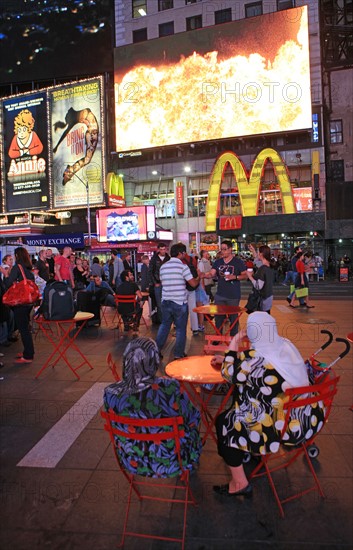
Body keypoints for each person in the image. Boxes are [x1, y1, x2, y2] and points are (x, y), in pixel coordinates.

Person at [211, 312, 325, 497]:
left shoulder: (254, 360)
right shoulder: (285, 345)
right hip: (307, 418)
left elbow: (228, 373)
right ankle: (254, 452)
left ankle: (239, 482)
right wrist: (232, 359)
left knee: (225, 422)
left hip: (281, 427)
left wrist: (235, 340)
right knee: (244, 401)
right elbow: (259, 364)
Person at [103, 337, 202, 477]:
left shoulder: (110, 393)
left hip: (132, 460)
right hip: (173, 462)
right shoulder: (169, 388)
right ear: (154, 361)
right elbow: (193, 417)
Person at [156, 243, 199, 360]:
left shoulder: (163, 267)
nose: (185, 255)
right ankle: (178, 354)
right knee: (180, 329)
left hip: (165, 301)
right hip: (179, 302)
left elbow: (163, 282)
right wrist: (199, 276)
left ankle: (155, 351)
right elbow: (193, 284)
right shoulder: (183, 267)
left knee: (164, 326)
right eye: (184, 253)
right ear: (180, 253)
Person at [204, 240, 247, 337]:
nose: (222, 251)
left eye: (224, 249)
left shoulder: (238, 262)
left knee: (233, 318)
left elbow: (245, 275)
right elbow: (212, 273)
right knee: (218, 317)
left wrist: (235, 277)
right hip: (220, 295)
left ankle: (233, 338)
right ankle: (218, 336)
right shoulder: (218, 262)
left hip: (233, 295)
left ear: (230, 249)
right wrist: (203, 275)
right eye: (221, 249)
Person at [4, 247, 36, 364]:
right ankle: (28, 351)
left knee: (23, 329)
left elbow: (8, 283)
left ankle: (28, 355)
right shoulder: (28, 269)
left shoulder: (17, 268)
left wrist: (6, 274)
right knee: (25, 327)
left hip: (20, 303)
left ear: (17, 256)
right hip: (28, 302)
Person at [246, 245, 274, 313]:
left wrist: (250, 276)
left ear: (261, 254)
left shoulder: (262, 269)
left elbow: (258, 286)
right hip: (268, 296)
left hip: (263, 299)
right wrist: (253, 251)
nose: (257, 254)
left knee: (261, 319)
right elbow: (257, 261)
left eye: (258, 252)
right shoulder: (269, 265)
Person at [148, 243, 170, 323]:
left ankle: (167, 320)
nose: (163, 251)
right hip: (158, 284)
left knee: (168, 303)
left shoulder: (168, 258)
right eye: (161, 249)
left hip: (167, 284)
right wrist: (155, 282)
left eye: (164, 249)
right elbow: (150, 272)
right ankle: (162, 321)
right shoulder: (154, 259)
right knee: (159, 304)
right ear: (158, 249)